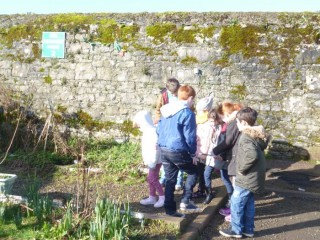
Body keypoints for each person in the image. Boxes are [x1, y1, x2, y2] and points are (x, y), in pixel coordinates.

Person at [219, 107, 268, 238]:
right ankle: (248, 229)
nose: (237, 125)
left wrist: (241, 169)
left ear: (244, 123)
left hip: (246, 177)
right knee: (249, 202)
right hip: (253, 177)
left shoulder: (245, 137)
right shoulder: (255, 135)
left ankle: (236, 230)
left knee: (236, 202)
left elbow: (252, 155)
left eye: (238, 122)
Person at [157, 85, 199, 218]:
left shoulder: (166, 110)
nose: (193, 103)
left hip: (163, 147)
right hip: (177, 149)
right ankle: (186, 201)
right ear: (190, 98)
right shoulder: (187, 113)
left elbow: (158, 130)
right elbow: (190, 137)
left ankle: (170, 210)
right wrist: (193, 154)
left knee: (170, 179)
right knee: (194, 171)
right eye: (193, 100)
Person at [212, 102, 243, 221]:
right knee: (234, 185)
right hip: (231, 156)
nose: (223, 119)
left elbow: (228, 141)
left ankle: (235, 214)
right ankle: (233, 209)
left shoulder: (233, 123)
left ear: (228, 113)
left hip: (235, 158)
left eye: (223, 116)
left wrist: (215, 151)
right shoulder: (234, 121)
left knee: (237, 188)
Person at [155, 78, 184, 191]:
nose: (173, 94)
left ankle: (179, 180)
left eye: (175, 92)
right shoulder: (163, 95)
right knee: (165, 153)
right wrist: (159, 122)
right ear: (167, 89)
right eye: (171, 92)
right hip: (166, 125)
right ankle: (164, 178)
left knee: (179, 153)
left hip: (178, 125)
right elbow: (158, 110)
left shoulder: (182, 93)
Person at [132, 110, 165, 208]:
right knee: (151, 179)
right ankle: (152, 197)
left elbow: (155, 149)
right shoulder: (148, 131)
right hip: (151, 160)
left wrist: (153, 161)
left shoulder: (152, 132)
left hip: (154, 160)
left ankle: (162, 197)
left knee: (152, 178)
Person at [192, 96, 214, 200]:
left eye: (200, 111)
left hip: (205, 151)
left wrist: (203, 153)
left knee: (205, 173)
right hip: (199, 150)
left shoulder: (209, 122)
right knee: (200, 171)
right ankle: (202, 188)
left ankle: (205, 190)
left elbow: (208, 138)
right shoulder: (200, 120)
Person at [203, 107, 225, 204]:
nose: (210, 123)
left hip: (220, 156)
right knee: (206, 174)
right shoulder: (211, 128)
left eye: (212, 121)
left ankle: (229, 194)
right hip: (211, 156)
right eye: (209, 121)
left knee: (224, 177)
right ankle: (209, 193)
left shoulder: (223, 128)